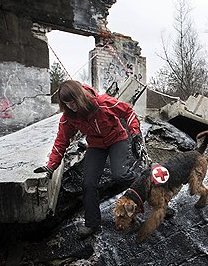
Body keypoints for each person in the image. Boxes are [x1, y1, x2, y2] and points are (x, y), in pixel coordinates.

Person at [34, 80, 141, 236]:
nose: (71, 106)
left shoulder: (103, 103)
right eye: (67, 103)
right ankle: (92, 224)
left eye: (73, 101)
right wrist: (51, 166)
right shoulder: (68, 117)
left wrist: (135, 133)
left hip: (117, 139)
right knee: (88, 183)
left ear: (80, 96)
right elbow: (61, 140)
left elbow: (128, 111)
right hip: (96, 145)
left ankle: (150, 187)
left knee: (120, 175)